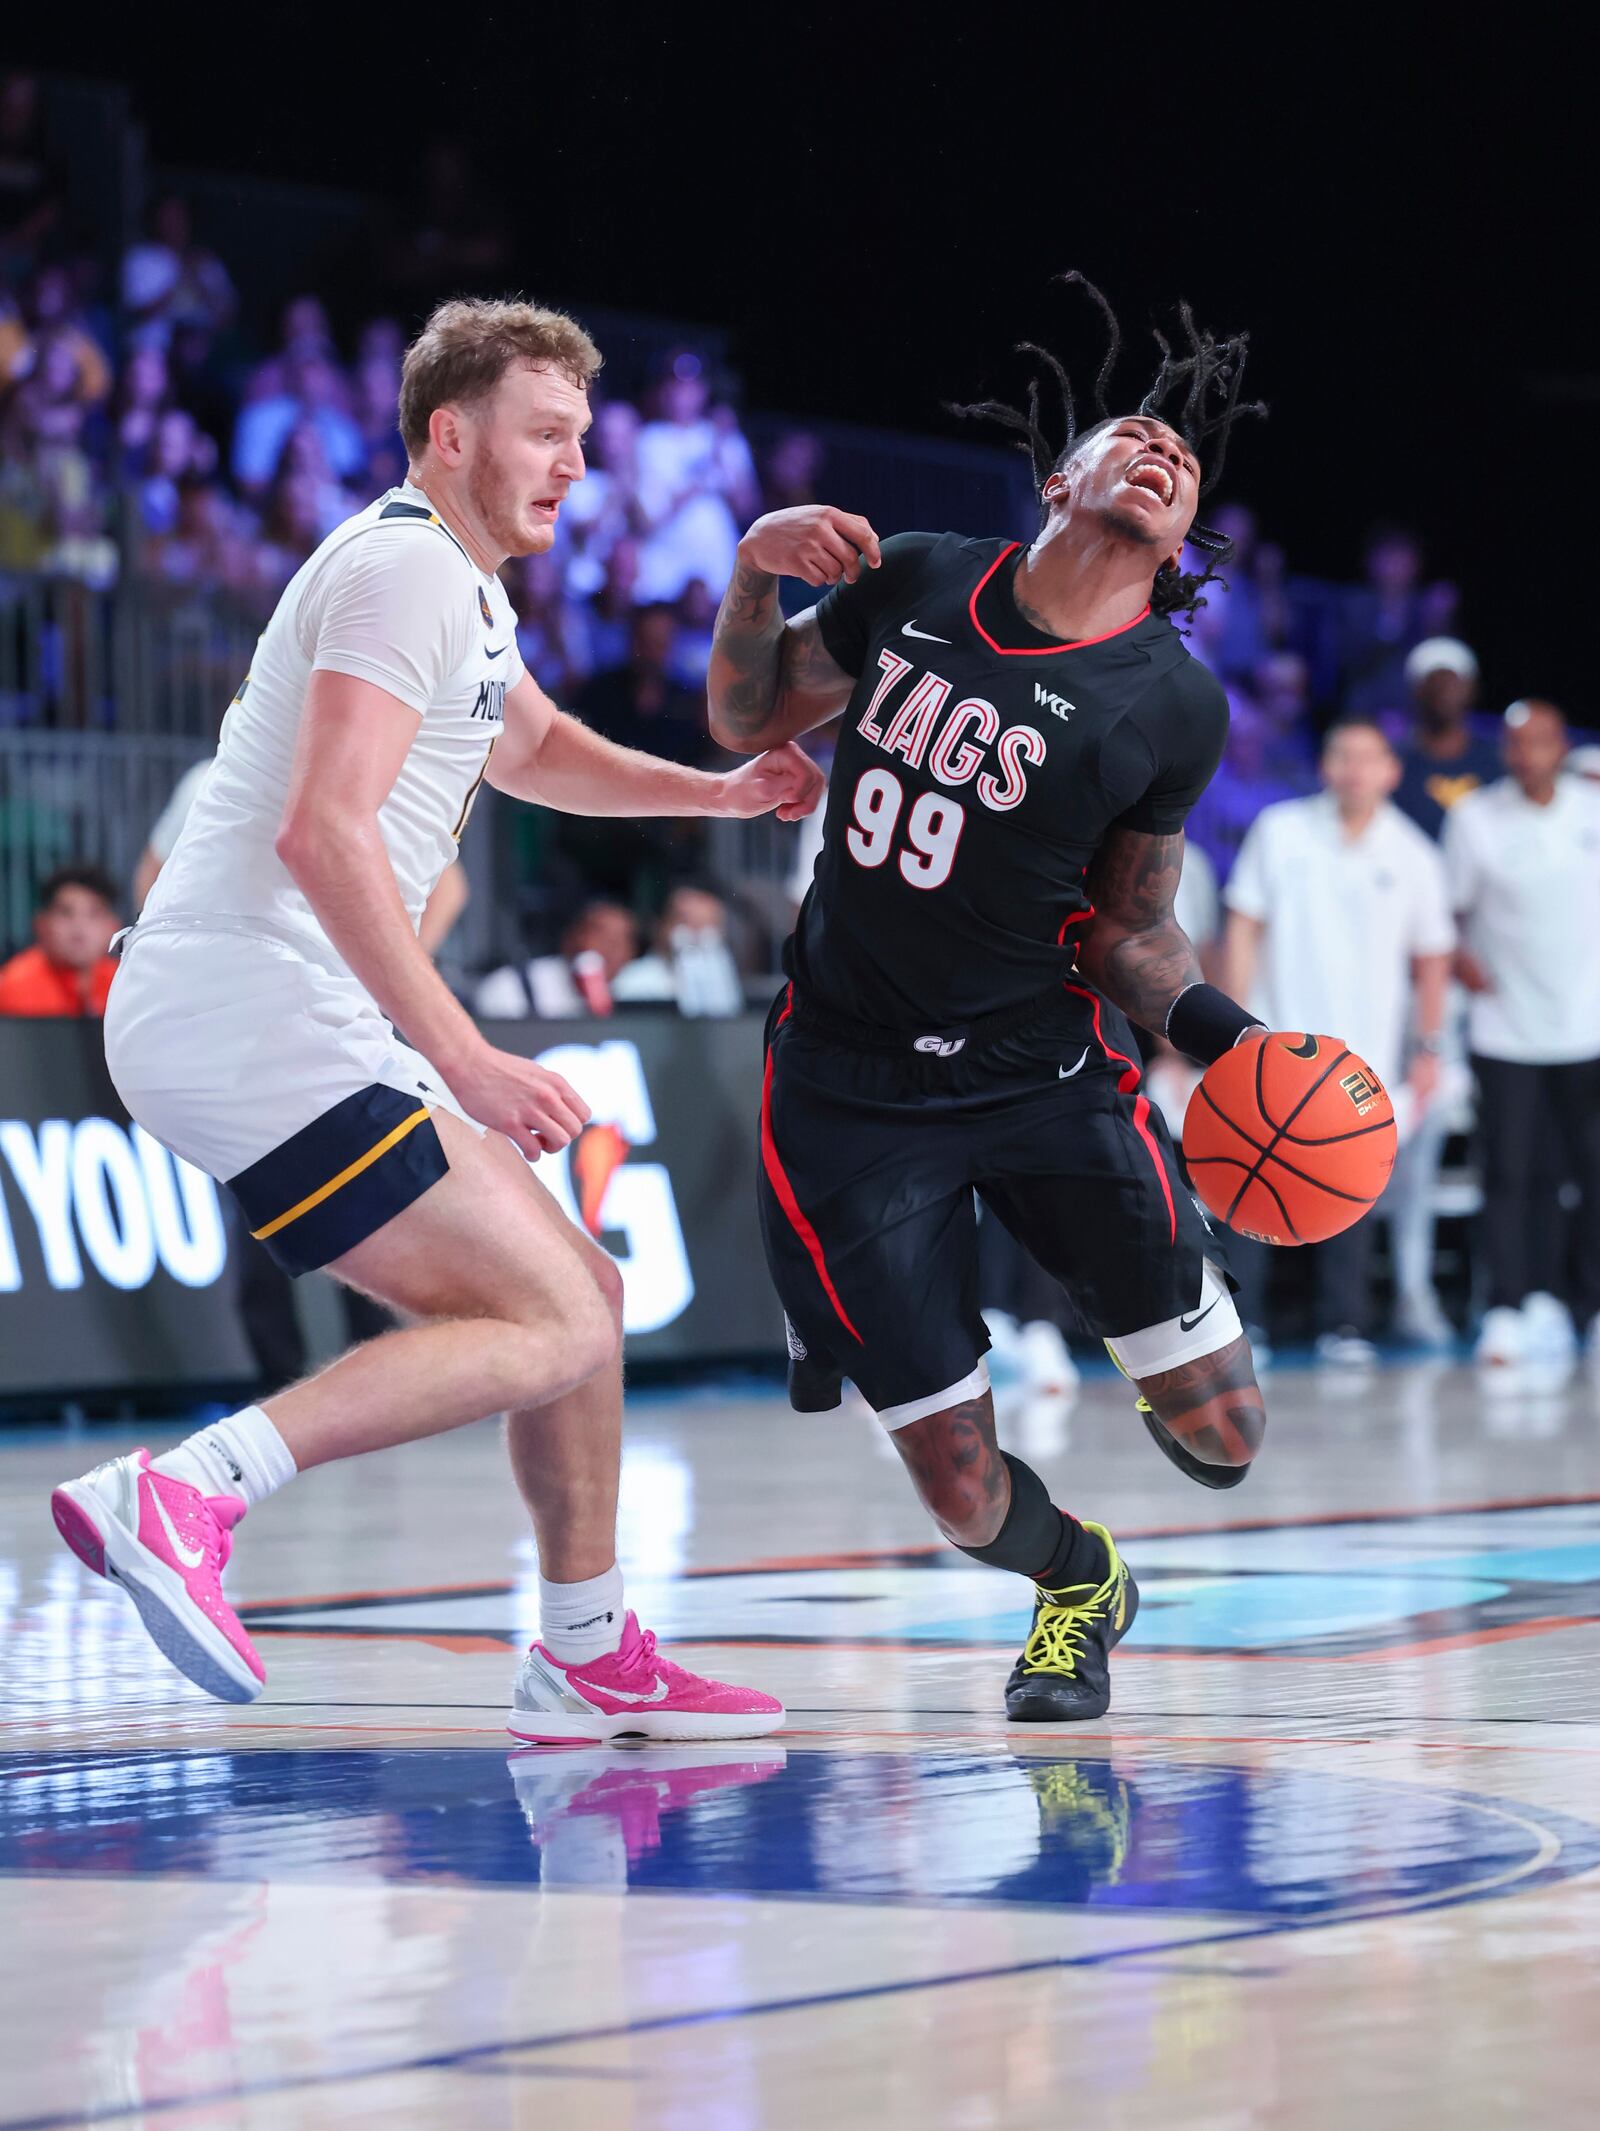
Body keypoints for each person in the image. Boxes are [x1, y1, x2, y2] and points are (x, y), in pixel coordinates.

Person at [52, 296, 823, 1743]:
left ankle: (589, 1649)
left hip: (275, 1000)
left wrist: (712, 793)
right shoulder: (405, 570)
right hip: (250, 995)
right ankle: (187, 1489)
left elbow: (534, 748)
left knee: (581, 1300)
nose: (573, 465)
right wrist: (461, 1053)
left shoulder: (461, 587)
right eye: (545, 432)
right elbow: (324, 836)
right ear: (449, 432)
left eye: (585, 439)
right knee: (543, 1316)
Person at [707, 280, 1278, 1724]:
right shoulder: (914, 576)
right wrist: (754, 572)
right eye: (1131, 433)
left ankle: (1051, 1307)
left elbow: (1132, 930)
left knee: (1227, 1437)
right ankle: (1079, 1578)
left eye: (1184, 458)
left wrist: (1235, 1045)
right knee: (961, 1490)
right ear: (1057, 480)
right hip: (847, 1081)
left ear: (1180, 531)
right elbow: (745, 712)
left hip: (1042, 1067)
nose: (1161, 448)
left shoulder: (1172, 706)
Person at [1222, 718, 1455, 1364]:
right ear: (1324, 766)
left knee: (1348, 1190)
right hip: (1273, 1042)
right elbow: (1243, 925)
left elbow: (1433, 958)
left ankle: (1346, 1324)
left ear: (1391, 771)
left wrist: (1428, 1048)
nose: (1354, 768)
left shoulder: (1413, 854)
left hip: (1362, 1056)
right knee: (1252, 1188)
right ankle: (1244, 1324)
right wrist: (1230, 1025)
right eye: (1342, 755)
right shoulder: (1281, 831)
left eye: (1367, 757)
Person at [1444, 701, 1600, 1366]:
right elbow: (1445, 915)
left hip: (1587, 1023)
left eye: (1540, 741)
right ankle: (1508, 1307)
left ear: (1561, 745)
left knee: (1592, 1172)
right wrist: (1462, 958)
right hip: (1504, 1025)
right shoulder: (1474, 819)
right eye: (1515, 743)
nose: (1528, 753)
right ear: (1504, 752)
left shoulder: (1593, 810)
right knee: (1507, 1171)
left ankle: (1589, 1309)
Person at [1393, 639, 1501, 839]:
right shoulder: (1395, 764)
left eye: (1453, 683)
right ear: (1417, 691)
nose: (1443, 692)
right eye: (1434, 683)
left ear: (1472, 689)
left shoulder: (1498, 758)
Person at [475, 900, 640, 1020]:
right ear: (571, 938)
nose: (610, 950)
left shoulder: (638, 992)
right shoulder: (512, 985)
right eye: (601, 937)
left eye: (620, 942)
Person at [0, 865, 120, 1017]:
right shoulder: (13, 988)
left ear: (113, 927)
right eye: (65, 913)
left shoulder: (123, 983)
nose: (79, 930)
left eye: (94, 914)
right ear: (41, 924)